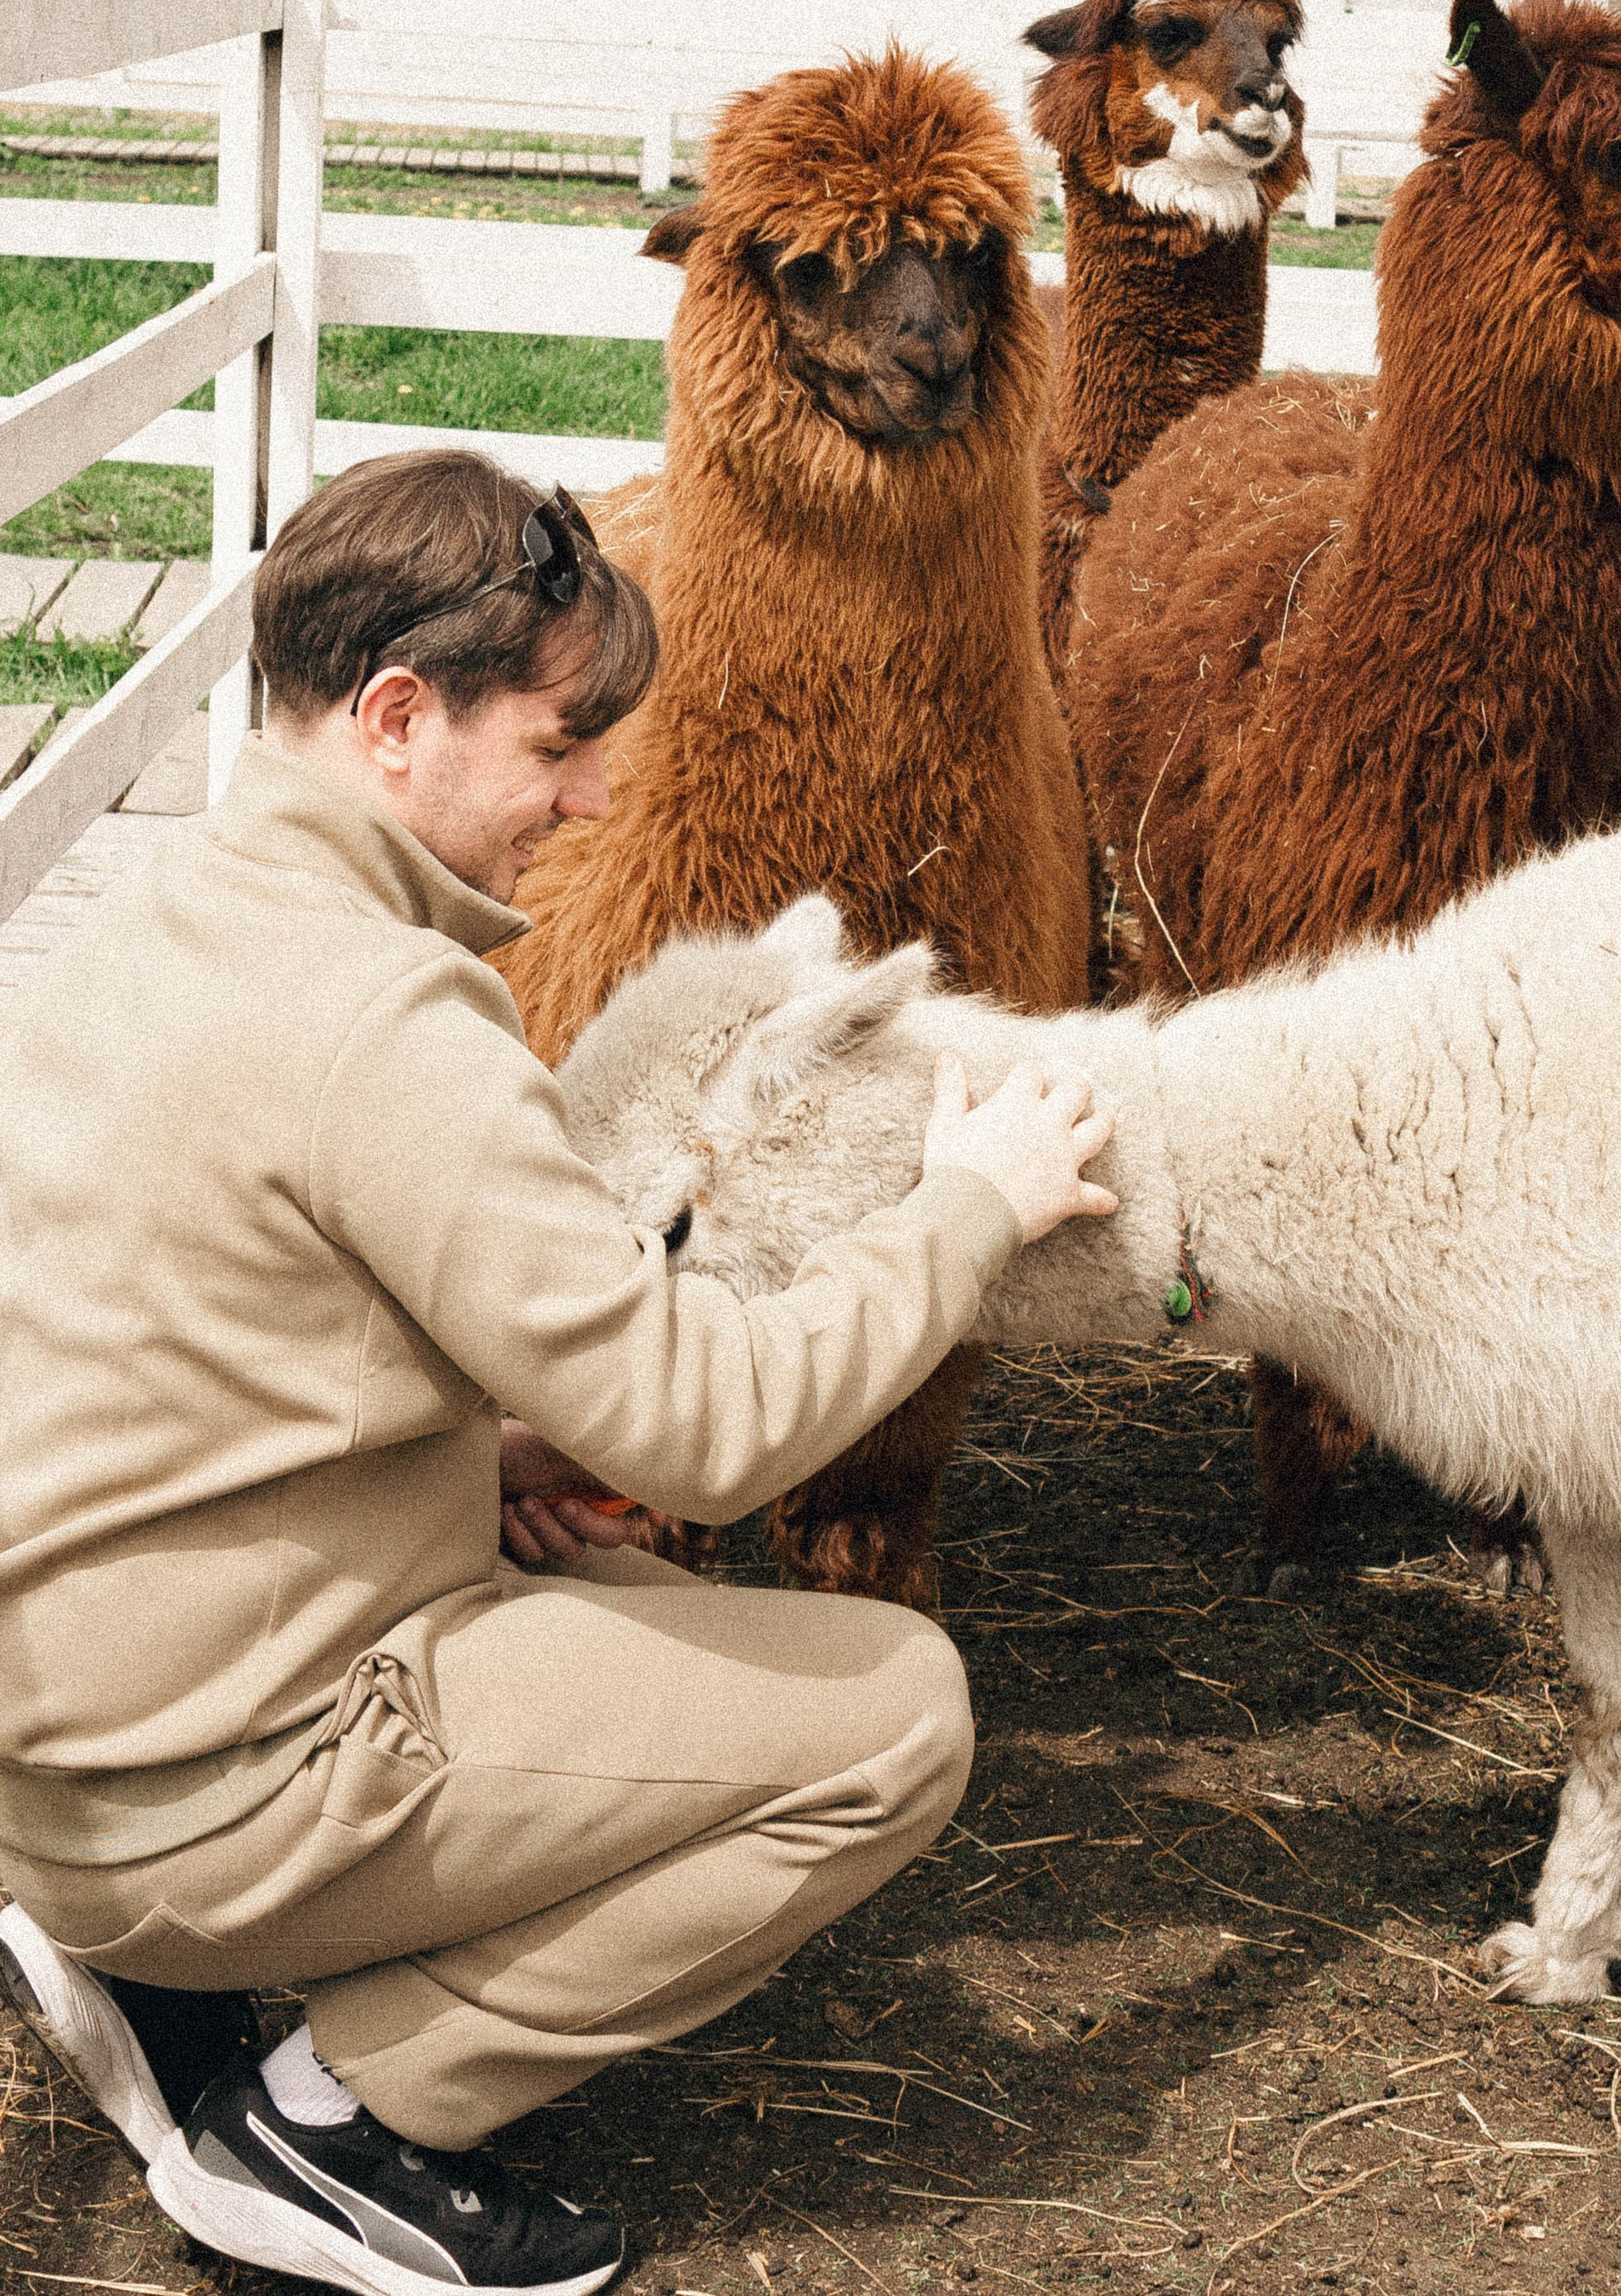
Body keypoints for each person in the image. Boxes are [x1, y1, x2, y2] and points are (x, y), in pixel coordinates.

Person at [0, 451, 1115, 2296]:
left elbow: (186, 1347)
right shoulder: (388, 1019)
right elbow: (710, 1424)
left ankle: (124, 1940)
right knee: (894, 1713)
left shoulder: (155, 921)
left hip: (65, 1733)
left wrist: (483, 1451)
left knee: (589, 1559)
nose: (594, 794)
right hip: (199, 1788)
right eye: (556, 742)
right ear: (394, 719)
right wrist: (964, 1214)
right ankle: (335, 2122)